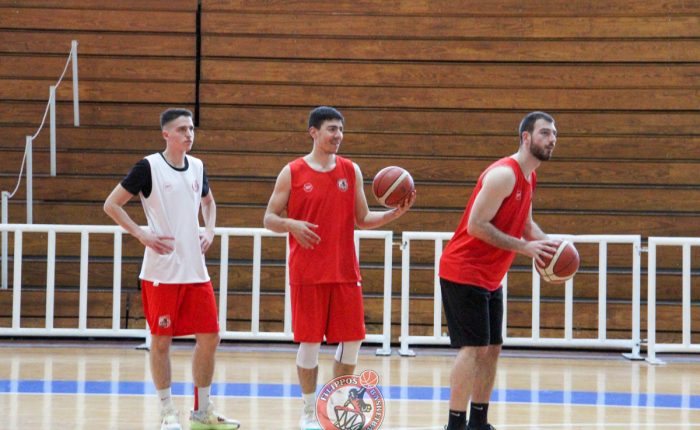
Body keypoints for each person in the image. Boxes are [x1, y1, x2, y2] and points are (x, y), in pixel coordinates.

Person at [263, 106, 416, 430]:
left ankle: (336, 406)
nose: (338, 135)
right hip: (307, 272)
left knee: (353, 341)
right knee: (310, 344)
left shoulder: (350, 170)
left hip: (345, 271)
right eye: (332, 129)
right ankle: (308, 412)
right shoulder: (292, 171)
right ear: (314, 132)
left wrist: (393, 215)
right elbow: (269, 218)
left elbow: (362, 218)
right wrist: (291, 224)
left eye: (341, 130)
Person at [103, 108, 239, 430]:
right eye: (182, 129)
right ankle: (167, 412)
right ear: (166, 134)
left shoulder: (198, 166)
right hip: (162, 272)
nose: (189, 134)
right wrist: (141, 234)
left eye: (191, 129)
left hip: (196, 270)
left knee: (210, 337)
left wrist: (210, 230)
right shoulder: (148, 166)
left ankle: (202, 412)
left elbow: (209, 202)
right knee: (161, 341)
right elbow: (111, 204)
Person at [439, 112, 560, 430]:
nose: (552, 139)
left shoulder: (529, 177)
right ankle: (455, 424)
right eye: (545, 133)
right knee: (473, 348)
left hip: (490, 276)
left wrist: (553, 249)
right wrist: (524, 248)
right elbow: (476, 226)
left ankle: (478, 422)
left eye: (554, 134)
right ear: (526, 137)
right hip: (463, 270)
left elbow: (527, 225)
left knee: (492, 349)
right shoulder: (504, 174)